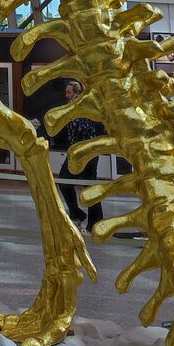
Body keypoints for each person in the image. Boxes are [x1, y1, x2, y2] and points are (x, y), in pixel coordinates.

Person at [56, 79, 105, 233]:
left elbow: (84, 128)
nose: (66, 95)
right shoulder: (71, 108)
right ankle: (77, 214)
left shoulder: (83, 108)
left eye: (69, 92)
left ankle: (94, 223)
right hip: (75, 152)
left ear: (77, 94)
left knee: (88, 186)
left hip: (88, 153)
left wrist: (70, 114)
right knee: (64, 182)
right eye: (66, 92)